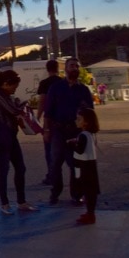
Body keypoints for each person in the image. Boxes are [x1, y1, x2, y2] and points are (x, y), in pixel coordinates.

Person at [0, 70, 38, 215]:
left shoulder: (4, 94)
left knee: (20, 168)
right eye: (14, 85)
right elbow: (13, 111)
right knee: (4, 169)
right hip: (1, 136)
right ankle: (5, 203)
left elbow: (13, 109)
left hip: (10, 134)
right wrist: (23, 106)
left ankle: (21, 201)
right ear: (5, 84)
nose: (15, 88)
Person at [43, 57, 94, 205]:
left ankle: (76, 194)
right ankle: (55, 193)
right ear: (65, 69)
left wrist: (90, 132)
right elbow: (48, 111)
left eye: (77, 66)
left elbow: (90, 113)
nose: (74, 68)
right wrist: (47, 130)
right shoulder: (56, 88)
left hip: (76, 132)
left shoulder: (83, 90)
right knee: (55, 163)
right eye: (71, 66)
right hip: (58, 131)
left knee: (76, 165)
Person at [68, 108, 101, 224]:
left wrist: (73, 144)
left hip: (84, 166)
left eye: (79, 119)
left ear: (86, 122)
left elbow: (80, 150)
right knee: (90, 191)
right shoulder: (90, 134)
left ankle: (90, 214)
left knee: (88, 191)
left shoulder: (83, 135)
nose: (76, 121)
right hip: (89, 165)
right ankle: (89, 213)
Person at [36, 59, 62, 186]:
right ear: (57, 68)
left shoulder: (45, 83)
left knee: (49, 149)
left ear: (47, 69)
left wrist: (37, 117)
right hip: (63, 118)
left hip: (50, 119)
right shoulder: (63, 82)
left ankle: (52, 174)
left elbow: (42, 101)